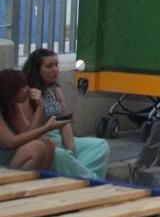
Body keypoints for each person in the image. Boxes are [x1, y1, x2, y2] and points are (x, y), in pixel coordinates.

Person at [23, 48, 110, 179]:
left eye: (57, 65)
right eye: (49, 66)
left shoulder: (56, 90)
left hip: (61, 140)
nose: (55, 69)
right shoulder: (28, 94)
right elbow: (31, 132)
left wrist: (71, 149)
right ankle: (91, 181)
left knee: (100, 146)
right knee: (60, 155)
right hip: (45, 143)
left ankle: (81, 178)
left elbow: (65, 122)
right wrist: (39, 106)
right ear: (37, 70)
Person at [0, 69, 64, 169]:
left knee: (48, 144)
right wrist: (46, 128)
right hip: (4, 154)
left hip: (11, 152)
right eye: (23, 87)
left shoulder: (13, 105)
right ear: (12, 90)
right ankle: (19, 183)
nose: (29, 89)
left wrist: (40, 107)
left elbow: (28, 132)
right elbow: (10, 142)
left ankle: (38, 180)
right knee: (36, 148)